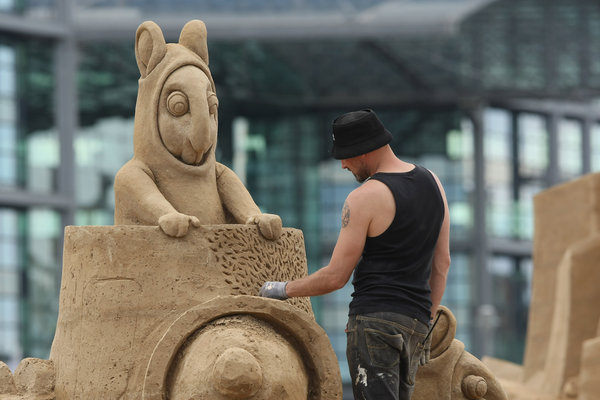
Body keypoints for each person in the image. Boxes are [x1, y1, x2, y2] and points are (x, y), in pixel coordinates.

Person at [259, 108, 451, 400]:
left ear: (362, 151)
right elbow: (442, 263)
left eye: (344, 157)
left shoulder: (363, 198)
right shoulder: (433, 183)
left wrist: (280, 289)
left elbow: (336, 277)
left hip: (374, 325)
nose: (343, 166)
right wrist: (426, 319)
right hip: (416, 323)